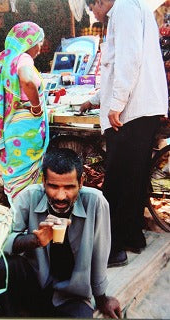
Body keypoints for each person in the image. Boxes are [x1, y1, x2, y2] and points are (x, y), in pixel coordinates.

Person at [82, 0, 168, 267]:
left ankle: (113, 248)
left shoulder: (125, 10)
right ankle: (132, 237)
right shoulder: (132, 9)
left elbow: (128, 61)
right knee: (133, 179)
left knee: (118, 182)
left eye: (92, 9)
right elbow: (119, 67)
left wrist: (115, 105)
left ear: (99, 1)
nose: (94, 15)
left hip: (132, 111)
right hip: (139, 109)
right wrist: (97, 99)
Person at [0, 148, 121, 318]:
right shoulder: (28, 197)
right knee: (3, 265)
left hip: (72, 296)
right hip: (35, 286)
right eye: (53, 186)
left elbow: (99, 253)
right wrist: (34, 240)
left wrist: (102, 298)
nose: (60, 196)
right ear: (44, 181)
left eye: (69, 187)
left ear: (81, 182)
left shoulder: (96, 203)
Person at [0, 22, 49, 201]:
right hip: (26, 129)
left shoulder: (3, 59)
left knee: (17, 173)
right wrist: (37, 107)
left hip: (12, 127)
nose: (40, 47)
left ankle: (19, 214)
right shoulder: (23, 58)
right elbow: (27, 81)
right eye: (39, 42)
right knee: (28, 178)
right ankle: (28, 216)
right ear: (29, 42)